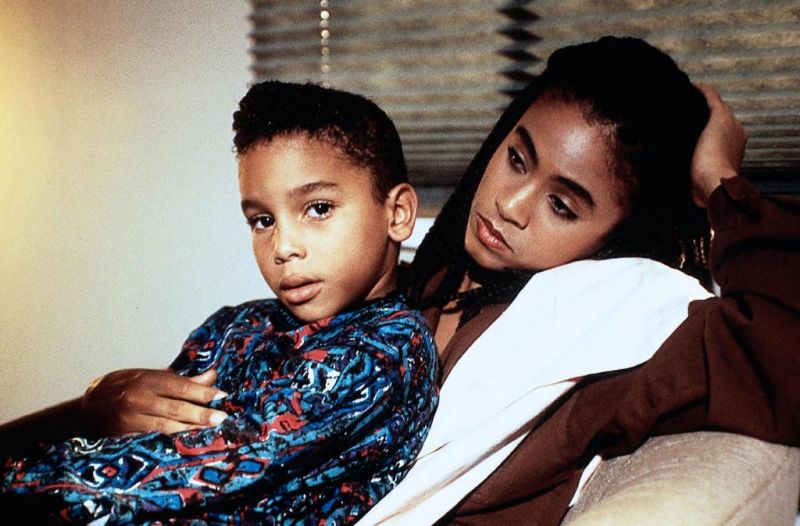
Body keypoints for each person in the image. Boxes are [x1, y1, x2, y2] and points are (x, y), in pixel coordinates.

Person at [5, 36, 800, 524]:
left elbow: (788, 355)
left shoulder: (602, 336)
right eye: (517, 157)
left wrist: (723, 186)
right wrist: (94, 405)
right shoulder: (395, 286)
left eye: (563, 204)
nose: (510, 204)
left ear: (618, 233)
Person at [0, 81, 439, 524]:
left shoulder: (385, 352)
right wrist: (94, 406)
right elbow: (142, 426)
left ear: (398, 213)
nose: (283, 247)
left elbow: (179, 472)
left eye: (319, 208)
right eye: (262, 220)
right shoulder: (236, 325)